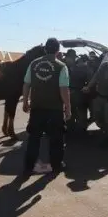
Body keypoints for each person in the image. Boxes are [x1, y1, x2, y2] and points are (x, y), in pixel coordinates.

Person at [22, 37, 71, 175]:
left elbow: (26, 84)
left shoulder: (33, 64)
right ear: (58, 50)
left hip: (37, 107)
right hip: (54, 109)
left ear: (45, 49)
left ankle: (28, 166)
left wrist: (25, 102)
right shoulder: (61, 66)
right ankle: (56, 165)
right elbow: (64, 89)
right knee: (56, 139)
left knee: (34, 138)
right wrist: (68, 107)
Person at [67, 54, 93, 134]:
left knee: (71, 111)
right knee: (81, 112)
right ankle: (81, 130)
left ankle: (70, 128)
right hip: (80, 94)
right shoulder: (87, 69)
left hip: (70, 92)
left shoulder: (71, 68)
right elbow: (90, 82)